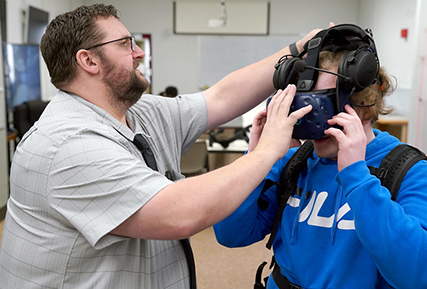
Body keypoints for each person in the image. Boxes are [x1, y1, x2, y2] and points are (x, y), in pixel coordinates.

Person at [0, 4, 319, 289]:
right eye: (126, 44)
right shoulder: (67, 144)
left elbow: (221, 97)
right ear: (88, 60)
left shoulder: (136, 111)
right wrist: (267, 151)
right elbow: (180, 214)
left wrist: (299, 49)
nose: (139, 52)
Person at [214, 25, 427, 289]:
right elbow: (230, 235)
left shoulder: (410, 171)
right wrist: (255, 161)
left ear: (366, 100)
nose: (313, 122)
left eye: (325, 104)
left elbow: (418, 275)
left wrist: (358, 178)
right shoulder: (294, 162)